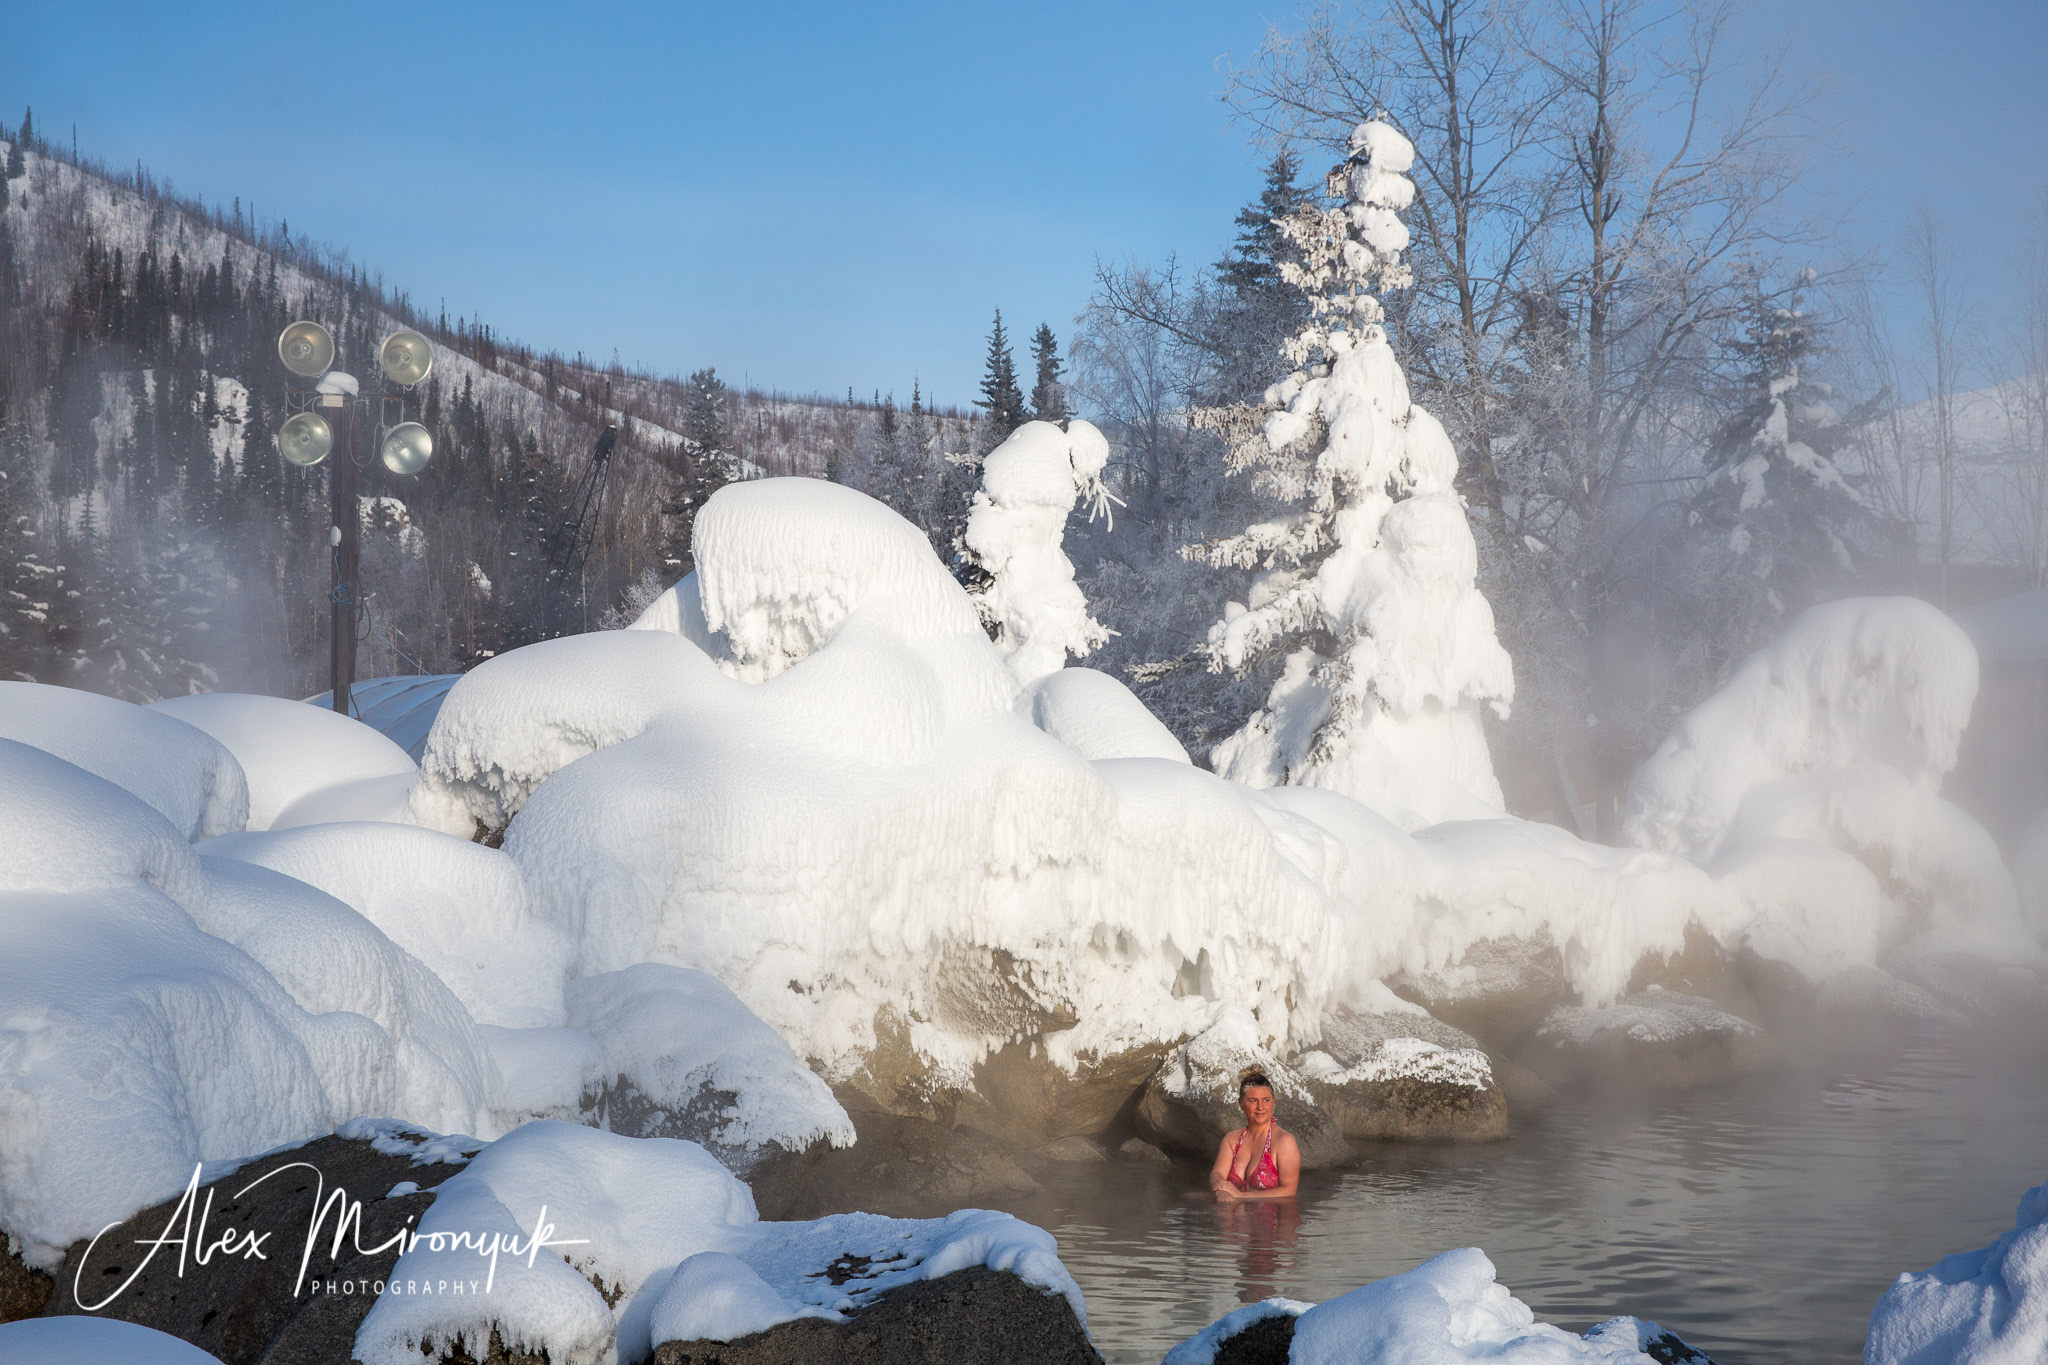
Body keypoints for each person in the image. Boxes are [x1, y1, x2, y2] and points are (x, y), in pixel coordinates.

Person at [1208, 1068, 1300, 1201]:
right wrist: (1221, 1190)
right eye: (1253, 1101)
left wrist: (1241, 1195)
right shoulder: (1231, 1139)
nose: (1260, 1107)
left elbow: (1289, 1191)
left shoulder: (1284, 1141)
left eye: (1266, 1100)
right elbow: (1217, 1173)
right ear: (1241, 1103)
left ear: (1273, 1102)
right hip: (1233, 1217)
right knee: (1189, 1197)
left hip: (1267, 1218)